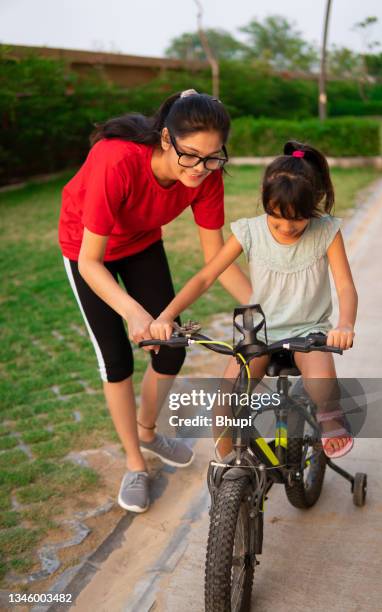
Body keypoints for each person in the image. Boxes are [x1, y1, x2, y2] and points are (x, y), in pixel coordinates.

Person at [58, 90, 252, 513]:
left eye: (214, 157)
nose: (201, 169)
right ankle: (134, 463)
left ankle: (148, 431)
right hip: (86, 249)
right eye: (191, 155)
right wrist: (132, 311)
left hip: (142, 243)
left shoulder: (207, 176)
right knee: (117, 361)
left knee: (169, 351)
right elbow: (91, 262)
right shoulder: (117, 160)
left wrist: (267, 308)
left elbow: (214, 260)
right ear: (166, 139)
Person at [150, 140, 358, 459]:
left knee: (322, 385)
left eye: (297, 220)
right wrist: (166, 316)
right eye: (276, 219)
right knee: (225, 401)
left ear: (314, 207)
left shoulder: (326, 231)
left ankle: (330, 415)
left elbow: (345, 285)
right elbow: (206, 276)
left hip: (309, 331)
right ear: (265, 204)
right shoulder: (249, 231)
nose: (287, 228)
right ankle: (229, 469)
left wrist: (344, 325)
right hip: (258, 332)